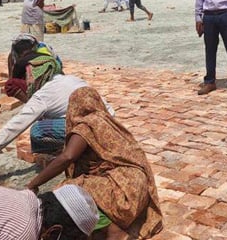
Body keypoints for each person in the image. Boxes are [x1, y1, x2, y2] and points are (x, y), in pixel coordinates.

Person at [26, 87, 163, 240]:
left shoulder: (85, 126)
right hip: (139, 187)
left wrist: (33, 184)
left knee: (68, 192)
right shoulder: (106, 120)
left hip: (123, 190)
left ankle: (114, 231)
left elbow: (67, 157)